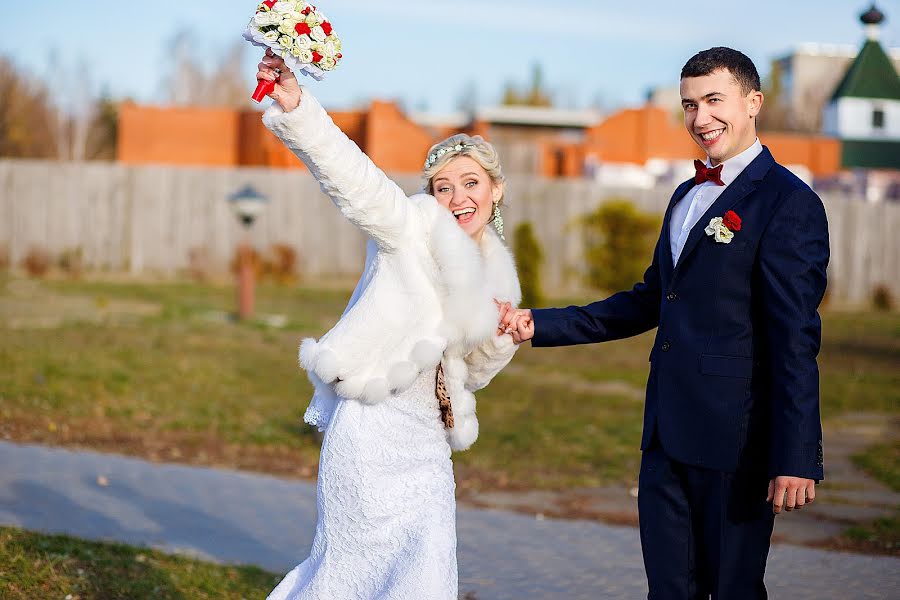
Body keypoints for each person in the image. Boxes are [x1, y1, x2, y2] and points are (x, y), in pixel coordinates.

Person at [500, 47, 829, 599]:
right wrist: (540, 324)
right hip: (665, 439)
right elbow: (652, 300)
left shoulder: (789, 204)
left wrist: (795, 456)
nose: (700, 119)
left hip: (737, 445)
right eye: (689, 105)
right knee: (668, 591)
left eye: (714, 101)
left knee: (733, 590)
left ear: (753, 102)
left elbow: (793, 338)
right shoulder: (684, 197)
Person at [254, 50, 521, 599]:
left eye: (470, 183)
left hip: (427, 445)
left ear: (495, 190)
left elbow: (470, 375)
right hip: (370, 433)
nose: (457, 198)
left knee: (427, 574)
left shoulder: (498, 276)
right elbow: (352, 179)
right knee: (349, 575)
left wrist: (501, 337)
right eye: (443, 187)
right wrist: (297, 105)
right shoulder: (409, 229)